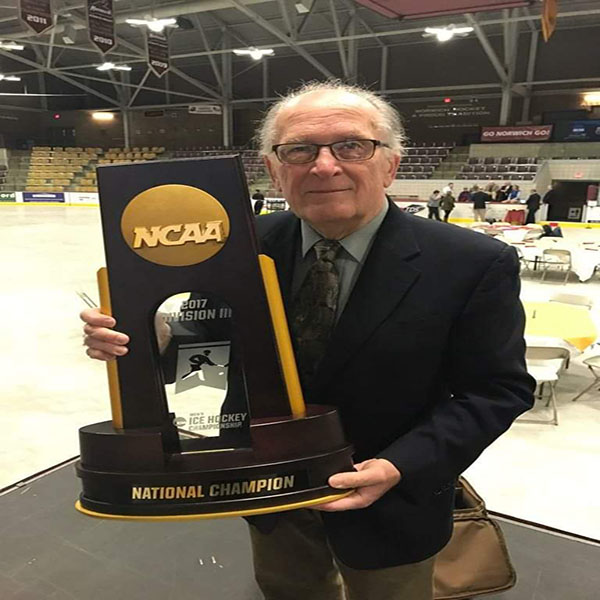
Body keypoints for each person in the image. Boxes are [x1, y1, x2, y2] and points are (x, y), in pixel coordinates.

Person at [81, 81, 534, 600]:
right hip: (270, 495)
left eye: (351, 146)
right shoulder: (234, 244)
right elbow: (205, 351)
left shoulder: (471, 263)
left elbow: (497, 390)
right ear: (274, 170)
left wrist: (399, 467)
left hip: (392, 503)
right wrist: (142, 342)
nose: (324, 166)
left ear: (391, 164)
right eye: (299, 150)